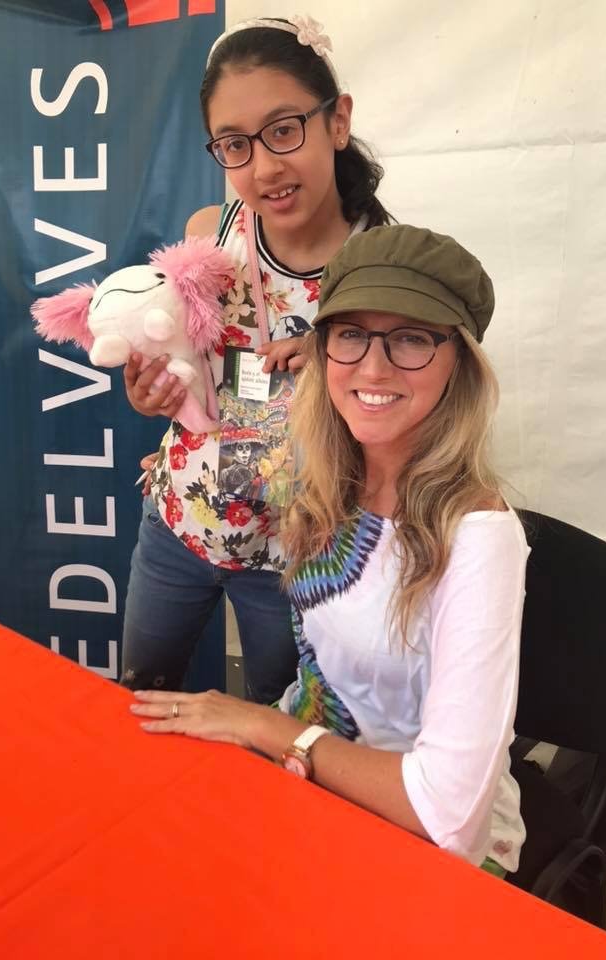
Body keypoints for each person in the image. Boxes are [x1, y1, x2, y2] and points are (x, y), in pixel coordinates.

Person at [128, 224, 529, 876]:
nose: (373, 367)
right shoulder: (329, 481)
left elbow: (448, 815)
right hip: (304, 772)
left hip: (417, 842)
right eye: (350, 335)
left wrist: (260, 726)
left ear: (459, 361)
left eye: (411, 338)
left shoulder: (478, 536)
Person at [120, 16, 392, 703]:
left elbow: (421, 423)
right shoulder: (209, 236)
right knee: (140, 700)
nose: (265, 166)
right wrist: (151, 392)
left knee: (279, 724)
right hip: (178, 522)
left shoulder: (382, 268)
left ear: (337, 121)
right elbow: (181, 366)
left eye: (284, 129)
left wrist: (340, 362)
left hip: (293, 556)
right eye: (235, 144)